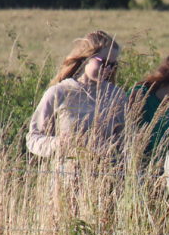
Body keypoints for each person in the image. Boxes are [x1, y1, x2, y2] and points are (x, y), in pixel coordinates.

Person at [27, 30, 127, 167]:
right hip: (64, 181)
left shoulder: (116, 96)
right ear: (86, 57)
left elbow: (126, 140)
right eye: (103, 62)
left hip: (106, 179)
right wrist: (59, 144)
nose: (108, 69)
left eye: (113, 65)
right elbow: (33, 138)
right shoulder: (59, 93)